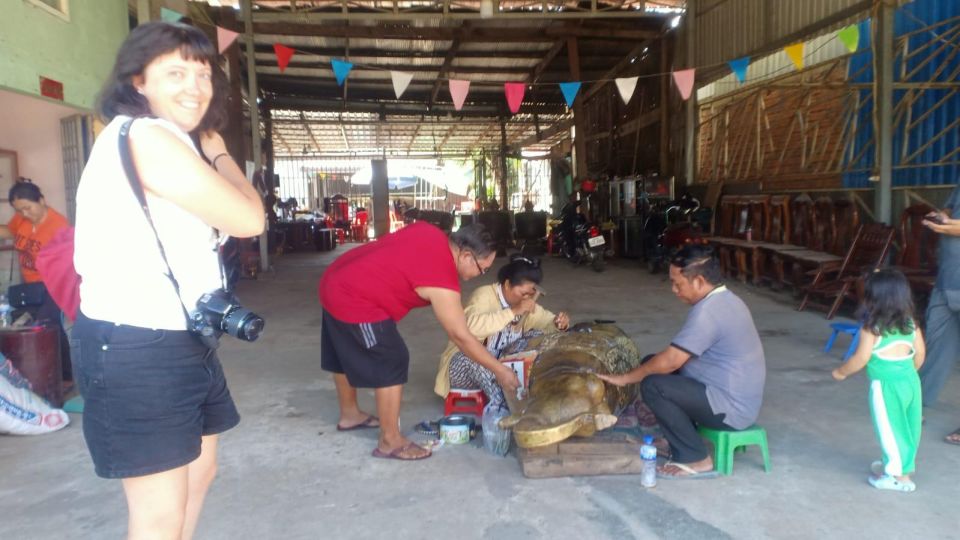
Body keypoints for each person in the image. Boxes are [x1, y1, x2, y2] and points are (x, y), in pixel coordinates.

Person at [71, 22, 264, 539]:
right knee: (158, 511)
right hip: (135, 343)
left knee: (200, 471)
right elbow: (249, 220)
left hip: (180, 337)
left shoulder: (169, 142)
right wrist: (221, 152)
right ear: (139, 81)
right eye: (175, 72)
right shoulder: (147, 137)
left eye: (202, 73)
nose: (194, 86)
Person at [319, 222, 519, 461]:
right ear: (466, 255)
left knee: (344, 346)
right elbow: (461, 336)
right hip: (353, 297)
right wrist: (500, 371)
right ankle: (389, 440)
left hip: (336, 277)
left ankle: (350, 414)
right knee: (392, 356)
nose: (480, 275)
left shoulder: (431, 232)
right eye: (482, 268)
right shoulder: (442, 276)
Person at [599, 244, 765, 479]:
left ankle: (696, 458)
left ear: (698, 281)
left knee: (653, 384)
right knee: (650, 364)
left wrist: (623, 379)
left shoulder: (710, 311)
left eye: (678, 283)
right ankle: (683, 434)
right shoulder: (725, 299)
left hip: (731, 410)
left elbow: (671, 361)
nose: (674, 289)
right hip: (729, 396)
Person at [434, 254, 570, 408]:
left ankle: (523, 393)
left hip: (502, 368)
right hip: (464, 370)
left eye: (530, 295)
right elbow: (469, 329)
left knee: (537, 336)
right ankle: (507, 405)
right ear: (507, 284)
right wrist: (512, 312)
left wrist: (558, 324)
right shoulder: (483, 295)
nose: (526, 298)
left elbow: (545, 323)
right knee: (472, 357)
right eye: (523, 293)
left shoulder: (526, 304)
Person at [832, 269, 925, 492]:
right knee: (909, 427)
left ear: (873, 298)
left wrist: (841, 372)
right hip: (911, 382)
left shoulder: (872, 328)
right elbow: (920, 355)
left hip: (886, 386)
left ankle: (897, 478)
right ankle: (899, 466)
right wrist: (905, 373)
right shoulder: (911, 324)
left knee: (890, 429)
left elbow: (860, 359)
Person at [0, 180, 71, 379]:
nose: (24, 214)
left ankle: (61, 377)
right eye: (19, 210)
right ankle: (30, 374)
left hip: (53, 286)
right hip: (30, 288)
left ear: (41, 200)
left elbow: (65, 263)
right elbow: (9, 231)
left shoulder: (58, 225)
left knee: (48, 327)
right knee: (21, 326)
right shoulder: (21, 220)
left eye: (28, 208)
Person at [916, 185, 960, 445]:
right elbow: (950, 206)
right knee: (935, 345)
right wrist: (941, 217)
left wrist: (951, 227)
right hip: (948, 278)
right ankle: (916, 405)